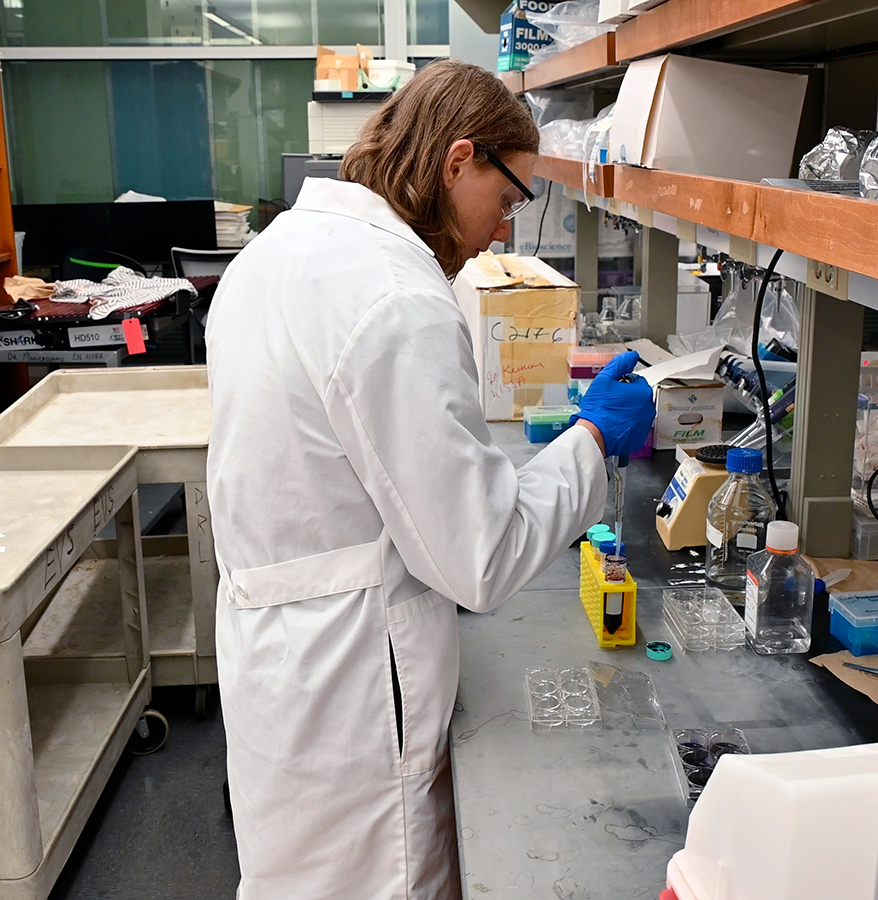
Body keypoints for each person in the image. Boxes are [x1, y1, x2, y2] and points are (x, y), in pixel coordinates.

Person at [206, 59, 655, 900]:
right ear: (459, 161)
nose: (504, 231)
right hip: (354, 680)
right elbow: (478, 557)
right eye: (509, 199)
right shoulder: (394, 299)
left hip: (283, 655)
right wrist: (593, 438)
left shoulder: (281, 253)